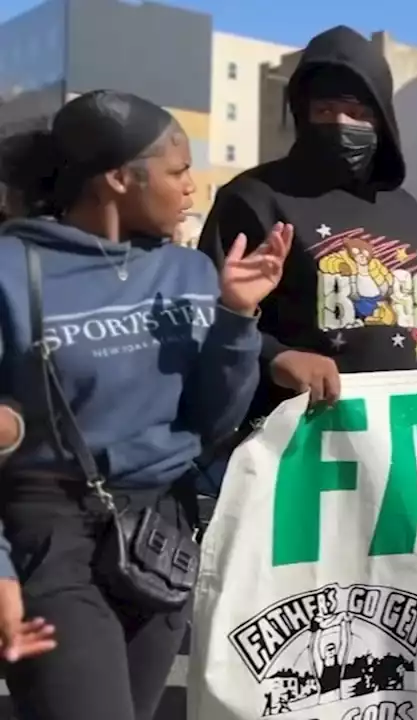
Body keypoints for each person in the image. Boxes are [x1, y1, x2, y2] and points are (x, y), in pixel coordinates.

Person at [0, 90, 289, 719]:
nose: (193, 187)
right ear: (119, 178)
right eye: (178, 171)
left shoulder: (188, 273)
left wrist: (237, 318)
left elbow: (212, 423)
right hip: (50, 539)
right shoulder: (12, 271)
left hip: (163, 534)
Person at [199, 25, 417, 426]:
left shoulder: (406, 210)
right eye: (325, 110)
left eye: (358, 113)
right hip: (299, 445)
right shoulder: (253, 198)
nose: (340, 123)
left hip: (396, 441)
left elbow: (416, 312)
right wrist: (277, 357)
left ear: (381, 120)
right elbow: (205, 317)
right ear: (302, 112)